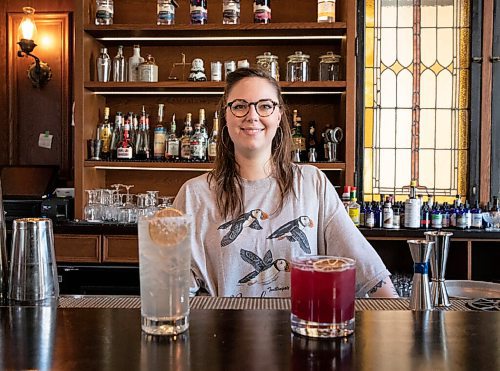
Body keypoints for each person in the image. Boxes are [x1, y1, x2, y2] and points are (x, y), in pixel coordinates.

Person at [173, 67, 398, 298]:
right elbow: (176, 292)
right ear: (225, 115)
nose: (252, 115)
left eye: (265, 105)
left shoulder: (312, 184)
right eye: (240, 105)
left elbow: (370, 274)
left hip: (303, 330)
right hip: (223, 333)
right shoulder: (194, 194)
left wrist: (399, 324)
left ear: (279, 115)